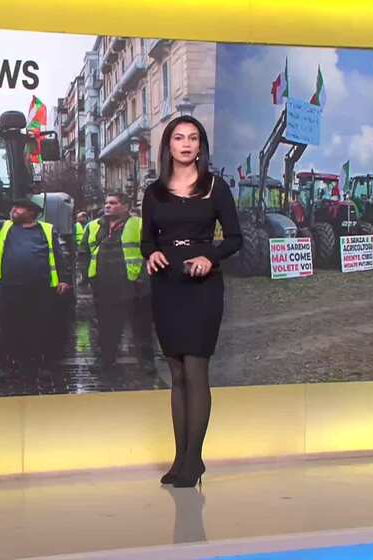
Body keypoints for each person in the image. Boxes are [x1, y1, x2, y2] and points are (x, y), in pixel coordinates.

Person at [142, 116, 242, 488]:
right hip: (167, 284)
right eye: (179, 138)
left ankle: (194, 461)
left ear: (201, 146)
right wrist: (151, 255)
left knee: (196, 369)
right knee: (177, 374)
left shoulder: (217, 188)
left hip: (202, 286)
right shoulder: (153, 192)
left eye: (193, 138)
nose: (186, 144)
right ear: (168, 145)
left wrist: (210, 257)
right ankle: (180, 459)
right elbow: (147, 241)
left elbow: (234, 238)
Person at [0, 184, 70, 381]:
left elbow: (58, 256)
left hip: (40, 289)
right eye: (13, 208)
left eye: (19, 208)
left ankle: (39, 362)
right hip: (9, 288)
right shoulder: (4, 227)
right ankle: (14, 363)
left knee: (39, 326)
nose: (13, 211)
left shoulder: (47, 230)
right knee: (11, 326)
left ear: (32, 212)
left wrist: (64, 279)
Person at [81, 192, 155, 376]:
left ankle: (146, 362)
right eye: (106, 203)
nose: (107, 206)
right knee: (106, 327)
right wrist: (89, 277)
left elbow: (152, 253)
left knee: (141, 327)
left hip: (134, 285)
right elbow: (83, 253)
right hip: (104, 286)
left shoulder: (139, 225)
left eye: (113, 203)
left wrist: (144, 279)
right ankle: (105, 360)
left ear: (126, 206)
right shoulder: (93, 226)